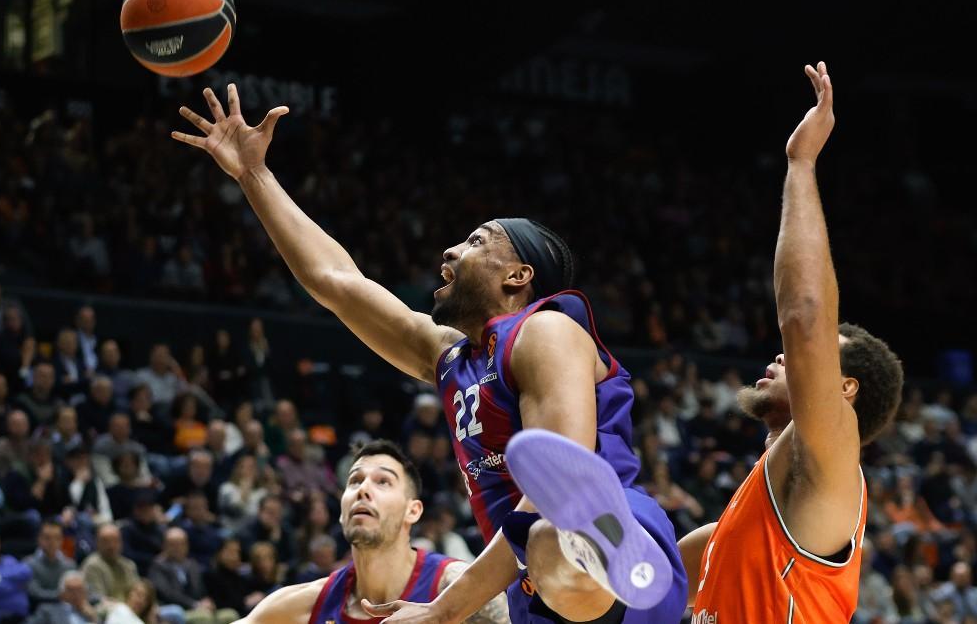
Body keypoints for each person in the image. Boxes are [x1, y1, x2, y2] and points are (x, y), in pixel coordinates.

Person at [173, 84, 684, 623]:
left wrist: (442, 612)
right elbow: (336, 281)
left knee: (552, 527)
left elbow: (566, 477)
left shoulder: (546, 331)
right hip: (533, 587)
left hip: (602, 546)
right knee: (541, 549)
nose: (451, 250)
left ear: (518, 276)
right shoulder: (453, 358)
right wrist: (254, 175)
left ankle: (609, 552)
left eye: (476, 242)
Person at [676, 63, 906, 622]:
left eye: (828, 352)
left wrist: (801, 164)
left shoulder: (832, 454)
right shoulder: (729, 529)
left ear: (845, 388)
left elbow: (804, 318)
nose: (785, 357)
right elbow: (635, 586)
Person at [234, 440, 508, 623]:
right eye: (354, 481)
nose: (363, 489)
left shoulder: (457, 587)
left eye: (383, 481)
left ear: (413, 511)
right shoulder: (302, 605)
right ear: (341, 512)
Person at [82, 523, 141, 603]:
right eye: (106, 541)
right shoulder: (92, 566)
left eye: (115, 541)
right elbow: (98, 600)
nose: (111, 546)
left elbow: (138, 593)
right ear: (97, 543)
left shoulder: (129, 565)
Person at [25, 520, 77, 605]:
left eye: (57, 538)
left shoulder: (69, 564)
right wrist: (61, 595)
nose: (52, 542)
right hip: (40, 609)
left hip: (67, 609)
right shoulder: (28, 564)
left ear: (62, 540)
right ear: (39, 539)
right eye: (47, 538)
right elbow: (34, 593)